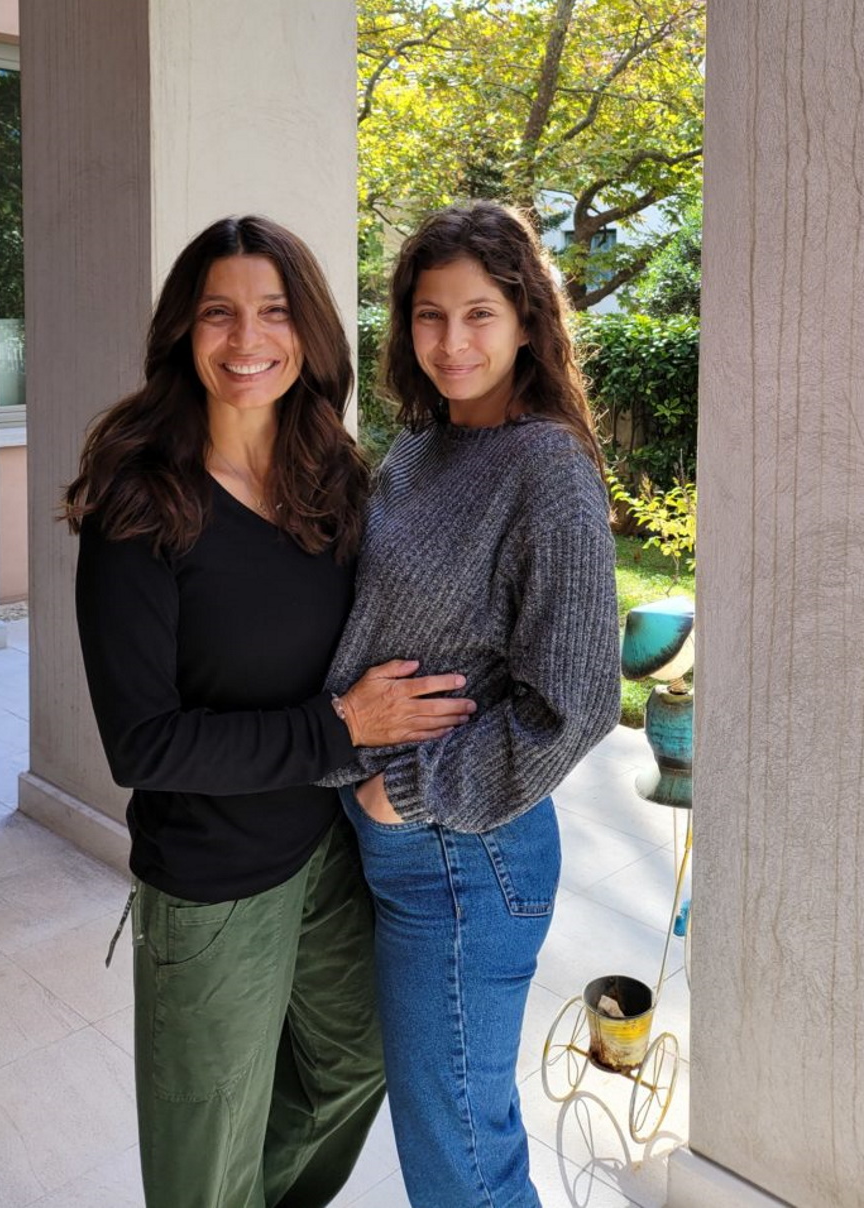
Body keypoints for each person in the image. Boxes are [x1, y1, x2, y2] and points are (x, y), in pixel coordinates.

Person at [63, 214, 476, 1208]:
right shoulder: (141, 504)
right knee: (204, 1159)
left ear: (310, 332)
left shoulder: (329, 478)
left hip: (330, 852)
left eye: (274, 311)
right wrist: (341, 728)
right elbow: (142, 743)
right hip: (212, 881)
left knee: (357, 1063)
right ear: (183, 330)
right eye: (219, 313)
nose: (247, 339)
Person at [324, 200, 622, 1208]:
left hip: (464, 856)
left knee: (462, 1157)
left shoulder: (546, 468)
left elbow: (577, 700)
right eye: (430, 314)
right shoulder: (420, 448)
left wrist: (403, 790)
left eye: (479, 314)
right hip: (405, 844)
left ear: (527, 320)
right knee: (447, 1133)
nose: (452, 341)